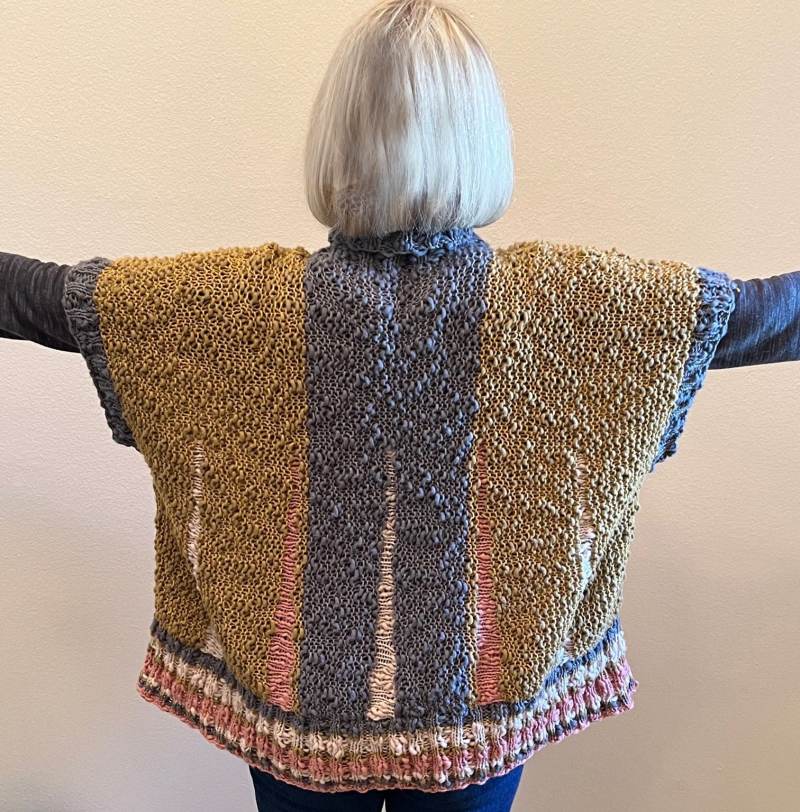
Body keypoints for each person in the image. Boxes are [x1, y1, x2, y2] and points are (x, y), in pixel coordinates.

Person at [2, 1, 799, 810]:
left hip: (299, 709)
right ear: (481, 138)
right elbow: (763, 316)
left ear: (337, 136)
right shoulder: (566, 305)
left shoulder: (236, 305)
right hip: (477, 708)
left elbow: (43, 300)